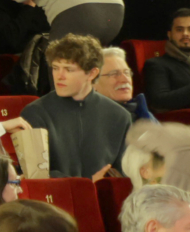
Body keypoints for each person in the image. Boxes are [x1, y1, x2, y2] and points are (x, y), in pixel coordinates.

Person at [23, 32, 131, 179]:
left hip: (103, 192)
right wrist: (85, 186)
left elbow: (124, 174)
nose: (59, 76)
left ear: (92, 73)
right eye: (55, 68)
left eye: (69, 69)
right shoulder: (34, 113)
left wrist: (107, 182)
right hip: (55, 193)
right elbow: (33, 175)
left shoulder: (119, 116)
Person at [144, 9, 190, 122]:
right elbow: (158, 101)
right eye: (179, 29)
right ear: (170, 35)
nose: (185, 34)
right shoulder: (157, 64)